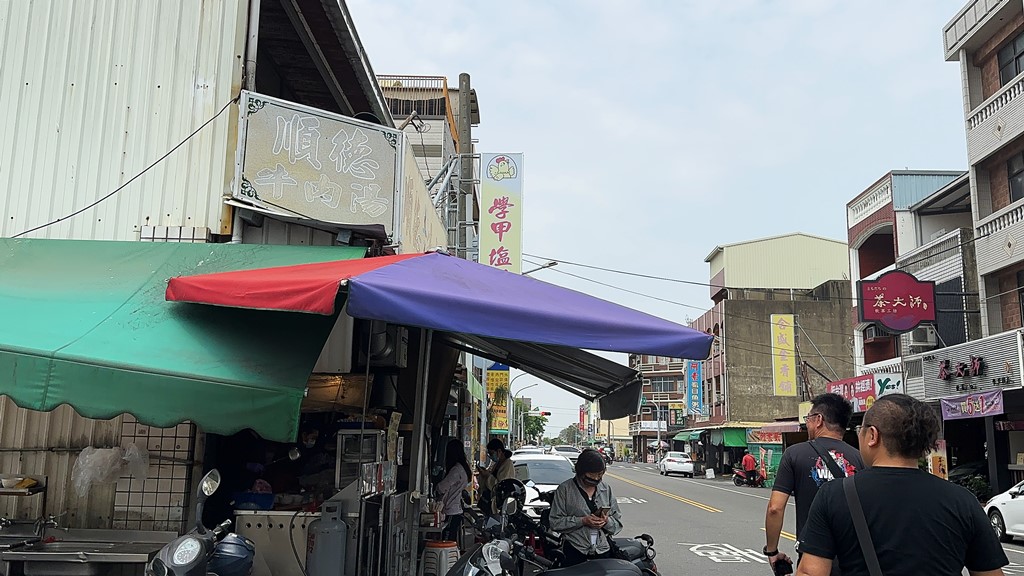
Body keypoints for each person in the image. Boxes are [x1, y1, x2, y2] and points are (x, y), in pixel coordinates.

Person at [796, 394, 1008, 576]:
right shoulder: (963, 501)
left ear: (872, 436)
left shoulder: (834, 495)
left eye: (861, 430)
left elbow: (810, 572)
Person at [765, 393, 864, 574]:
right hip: (855, 557)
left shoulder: (794, 454)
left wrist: (771, 550)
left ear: (819, 420)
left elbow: (775, 508)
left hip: (813, 556)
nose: (807, 424)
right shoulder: (860, 457)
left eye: (808, 418)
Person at [549, 449, 623, 566]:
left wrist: (606, 521)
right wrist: (582, 521)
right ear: (582, 472)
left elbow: (617, 524)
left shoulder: (605, 489)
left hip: (603, 550)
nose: (597, 479)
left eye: (600, 475)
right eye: (592, 476)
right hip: (575, 550)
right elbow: (555, 522)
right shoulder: (565, 490)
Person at [436, 439, 471, 543]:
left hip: (451, 509)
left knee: (447, 541)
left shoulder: (456, 470)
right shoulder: (463, 468)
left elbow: (442, 487)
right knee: (453, 541)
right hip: (457, 509)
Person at [477, 438, 515, 515]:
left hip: (500, 503)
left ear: (499, 451)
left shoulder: (507, 465)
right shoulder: (497, 464)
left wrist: (487, 475)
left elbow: (500, 484)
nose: (491, 456)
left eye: (491, 454)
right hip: (491, 500)